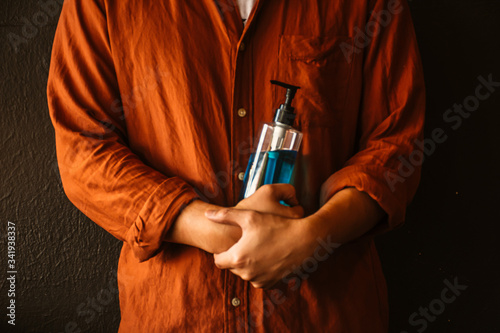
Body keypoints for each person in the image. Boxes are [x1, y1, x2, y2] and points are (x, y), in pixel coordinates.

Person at [47, 0, 425, 331]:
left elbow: (396, 144)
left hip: (320, 316)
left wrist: (314, 236)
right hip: (175, 314)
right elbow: (83, 148)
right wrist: (213, 230)